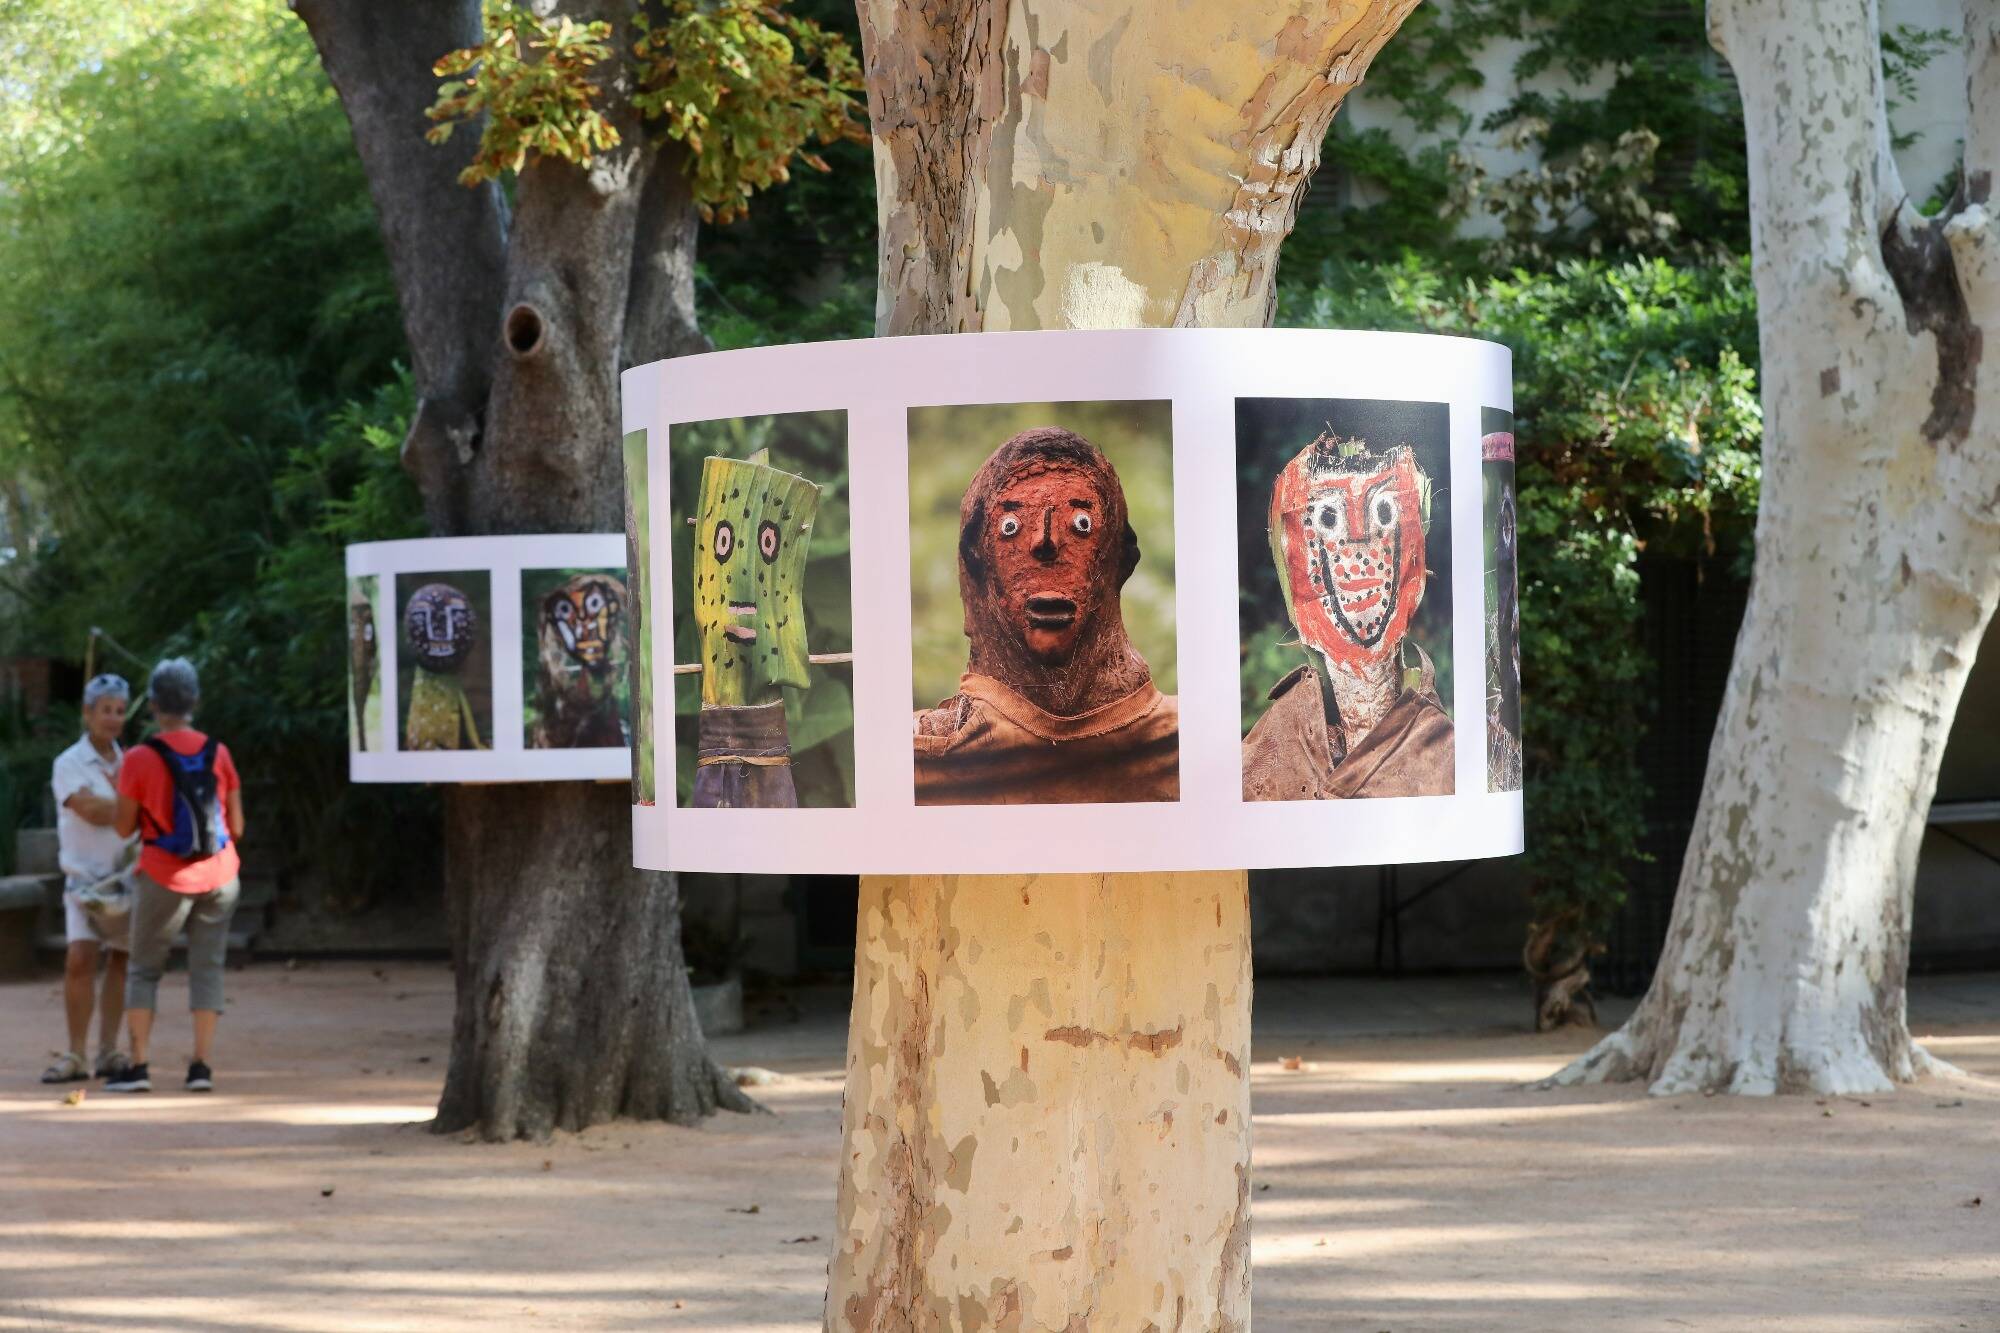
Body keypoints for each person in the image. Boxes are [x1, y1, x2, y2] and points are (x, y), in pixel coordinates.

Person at [103, 659, 244, 1094]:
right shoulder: (218, 752)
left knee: (144, 970)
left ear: (154, 705)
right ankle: (201, 1068)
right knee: (209, 968)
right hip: (220, 875)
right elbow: (235, 827)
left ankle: (140, 1066)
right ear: (194, 701)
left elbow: (124, 828)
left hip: (164, 875)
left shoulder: (141, 757)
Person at [40, 674, 138, 1084]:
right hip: (82, 879)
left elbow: (125, 811)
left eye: (119, 711)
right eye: (105, 711)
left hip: (126, 875)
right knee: (80, 959)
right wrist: (129, 803)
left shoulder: (132, 760)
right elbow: (90, 810)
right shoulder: (68, 763)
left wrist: (119, 802)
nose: (113, 719)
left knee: (120, 960)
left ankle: (109, 1051)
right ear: (88, 713)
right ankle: (76, 1052)